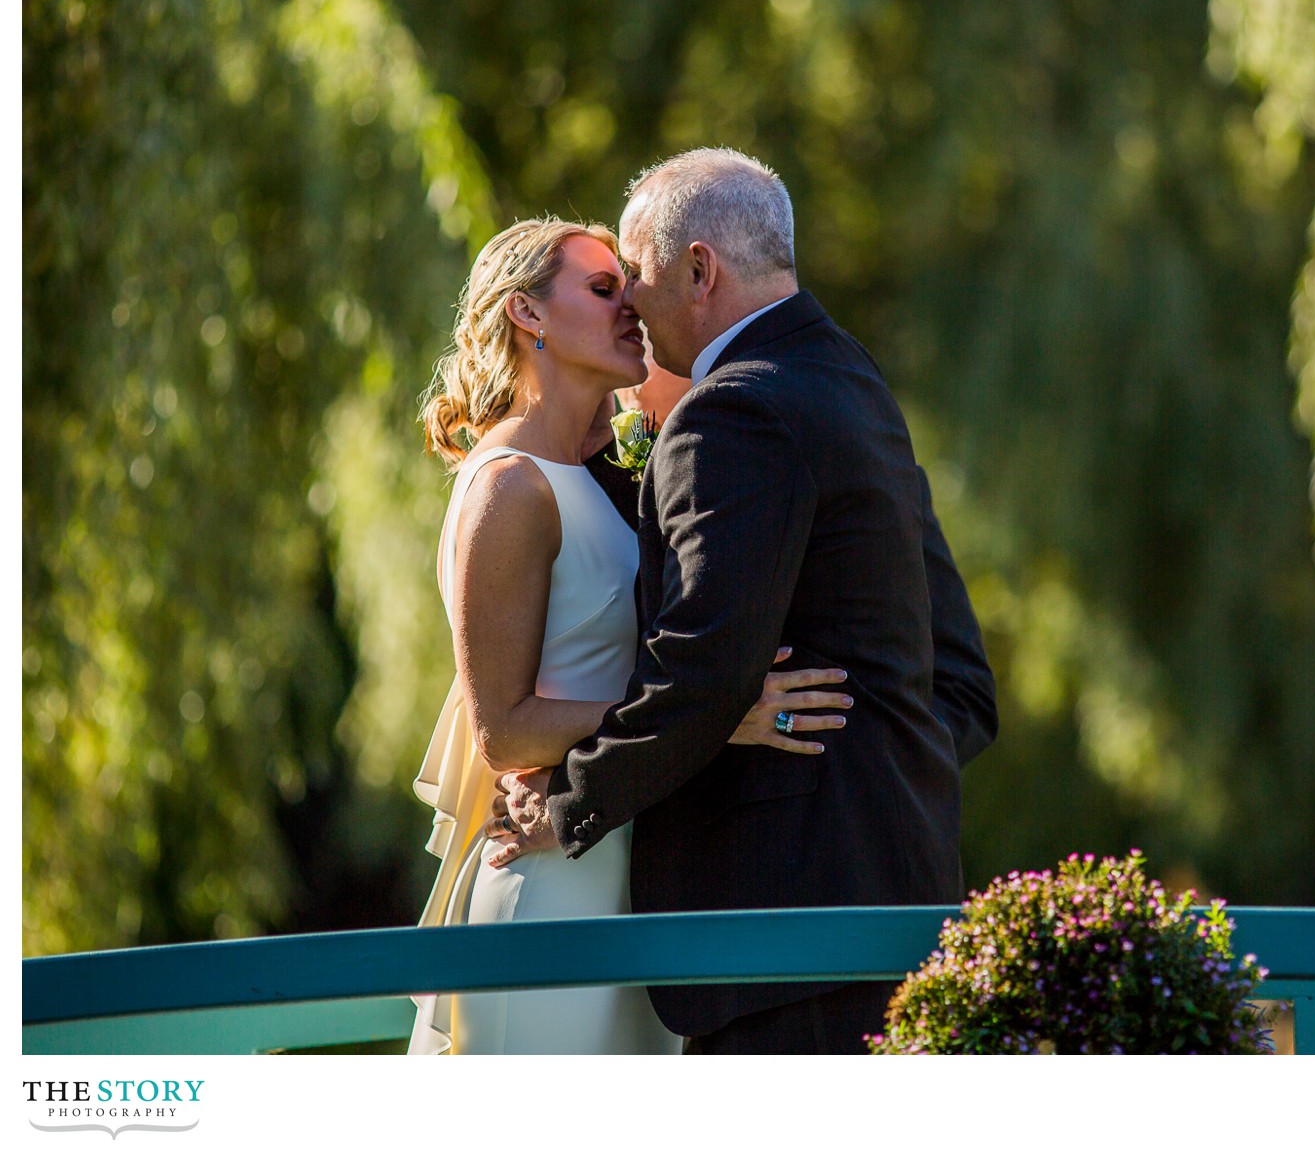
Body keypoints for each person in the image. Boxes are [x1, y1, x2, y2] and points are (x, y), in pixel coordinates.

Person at [495, 148, 997, 1054]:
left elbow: (707, 672)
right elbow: (960, 681)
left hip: (776, 930)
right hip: (909, 906)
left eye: (637, 279)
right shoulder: (855, 385)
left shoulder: (731, 414)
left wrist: (569, 805)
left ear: (698, 270)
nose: (635, 309)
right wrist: (873, 781)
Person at [407, 216, 852, 1054]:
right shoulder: (510, 488)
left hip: (639, 873)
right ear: (527, 316)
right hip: (553, 883)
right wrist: (715, 711)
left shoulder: (612, 474)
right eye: (603, 289)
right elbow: (504, 729)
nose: (632, 310)